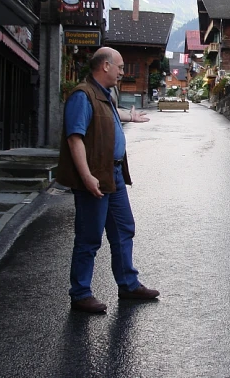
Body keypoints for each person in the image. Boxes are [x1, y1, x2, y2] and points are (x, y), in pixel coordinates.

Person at [56, 47, 159, 314]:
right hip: (96, 177)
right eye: (120, 67)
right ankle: (80, 294)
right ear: (105, 66)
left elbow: (110, 115)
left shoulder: (103, 94)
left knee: (124, 229)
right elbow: (74, 138)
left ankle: (128, 285)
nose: (123, 72)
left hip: (113, 175)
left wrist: (130, 117)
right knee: (89, 238)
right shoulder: (82, 95)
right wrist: (87, 176)